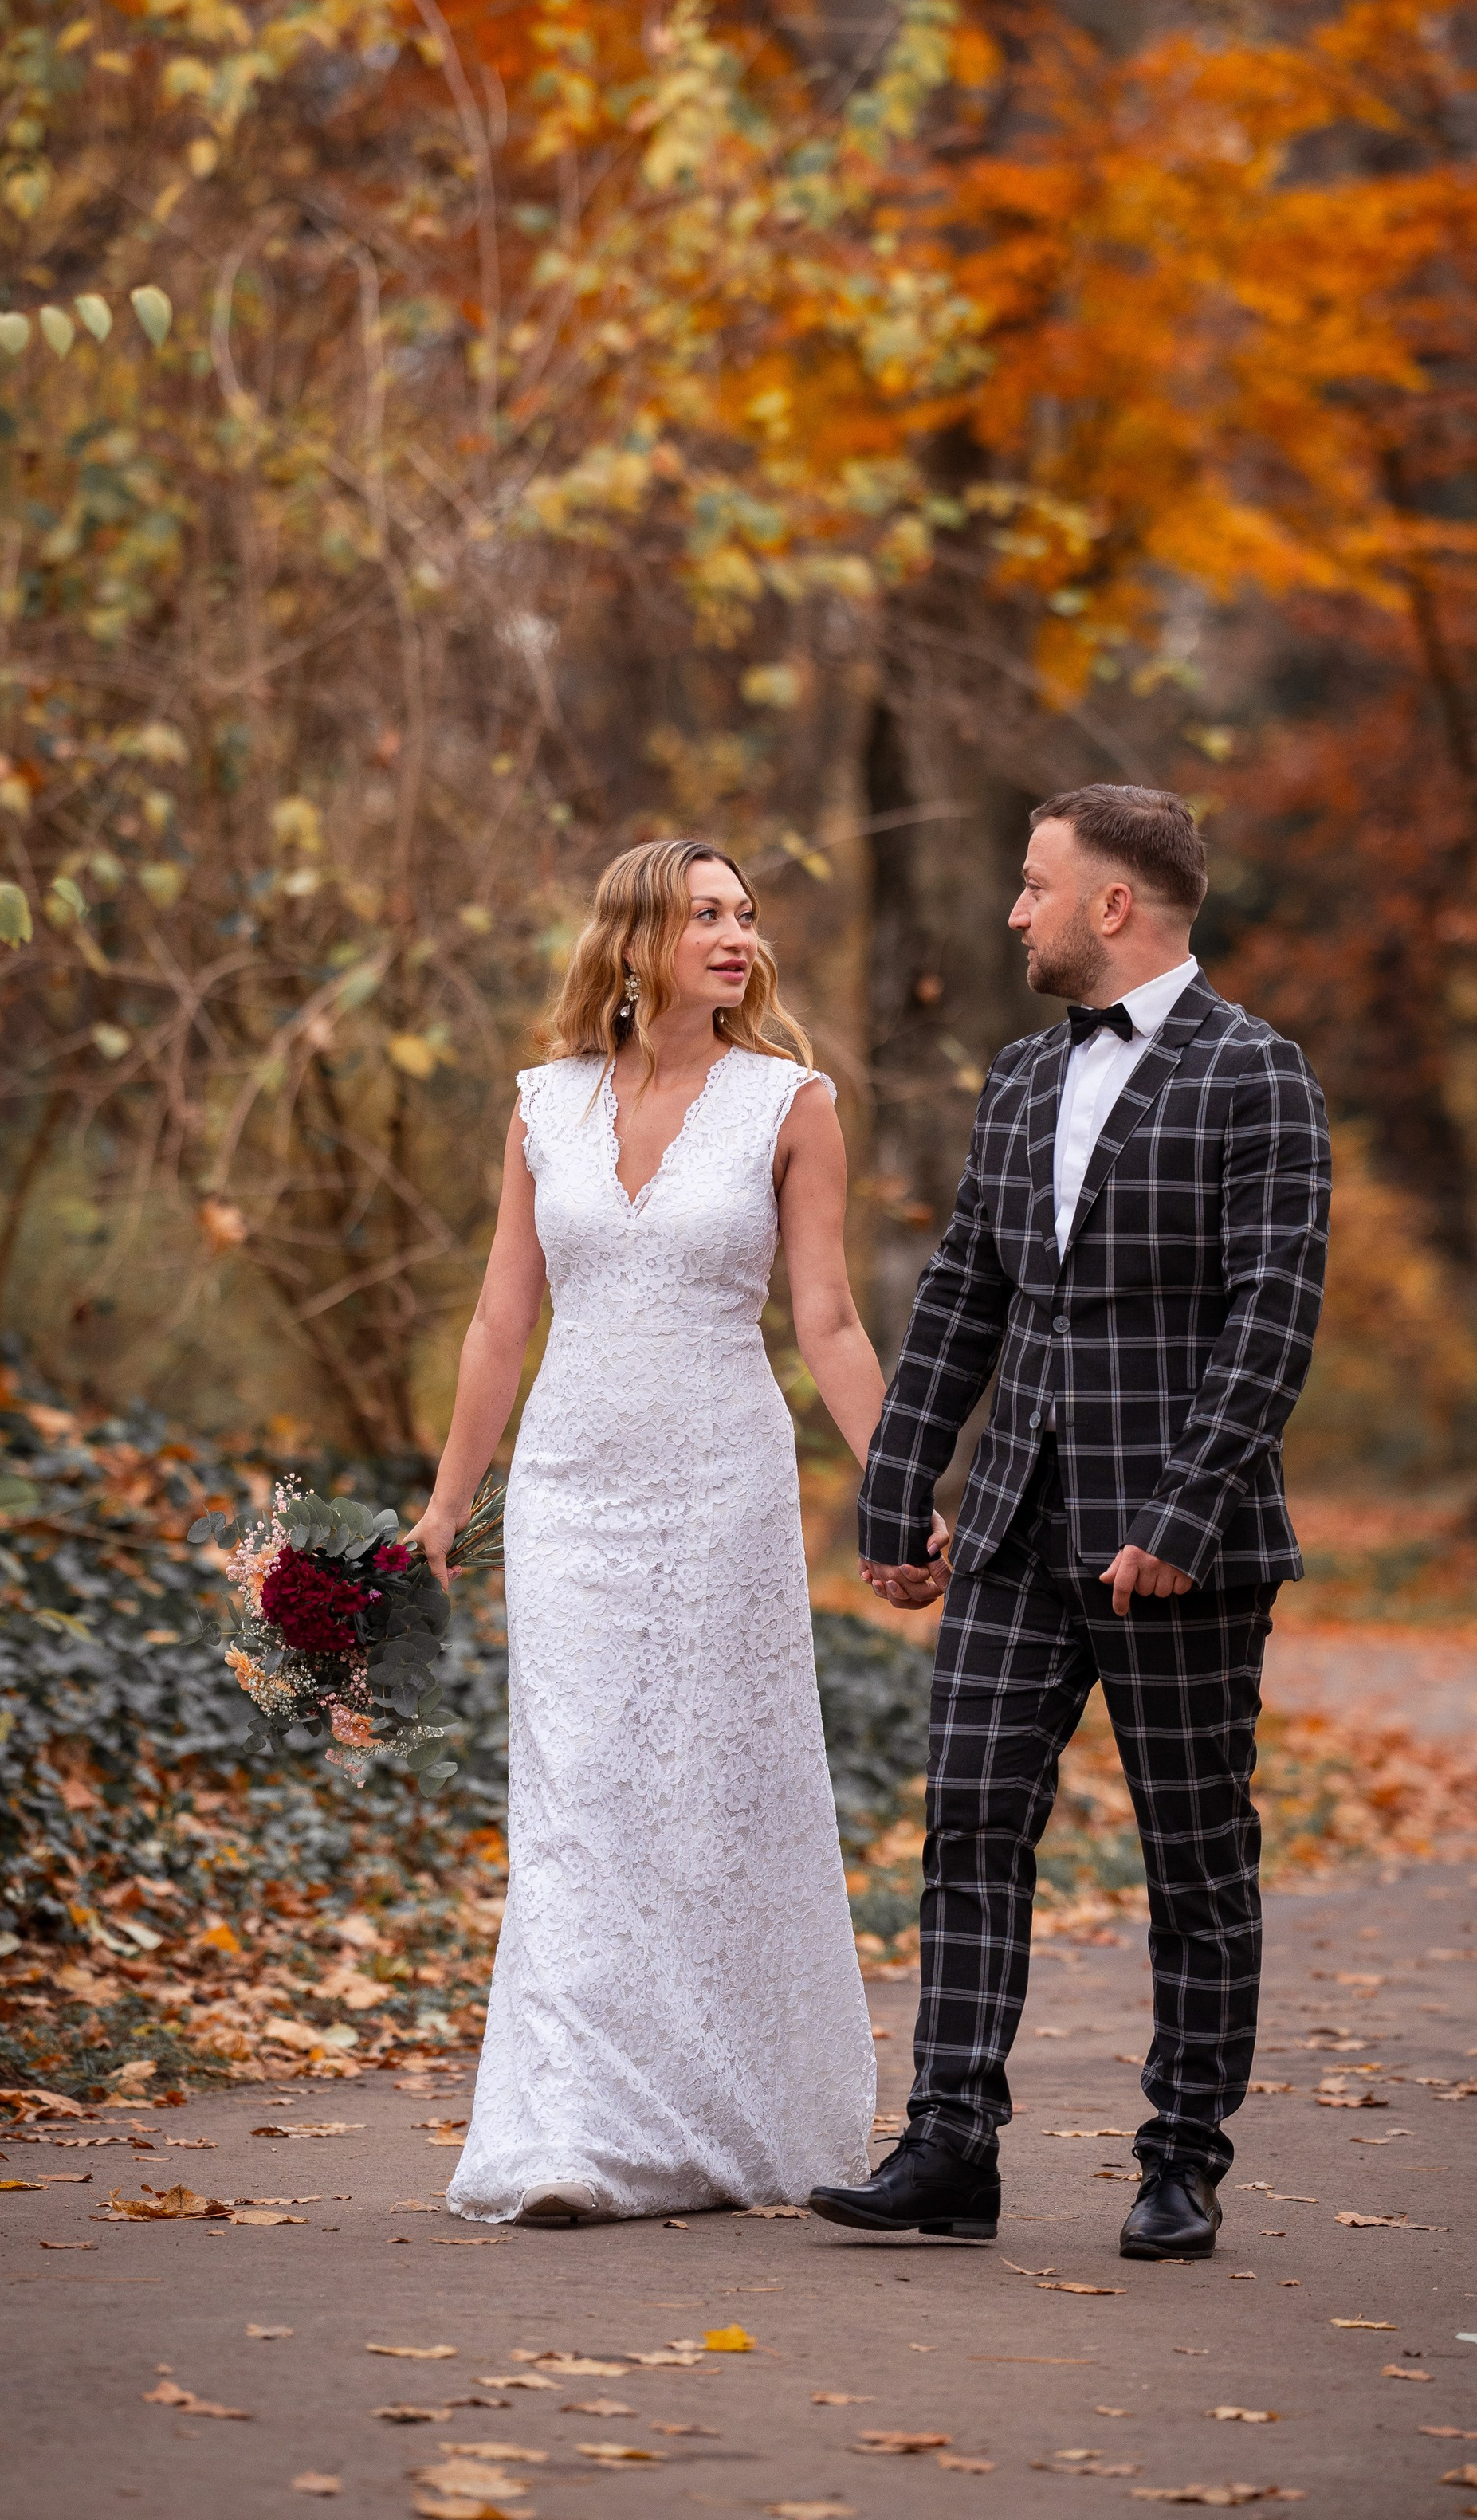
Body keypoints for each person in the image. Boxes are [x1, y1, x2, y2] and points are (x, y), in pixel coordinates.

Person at [808, 785, 1329, 2261]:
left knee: (1195, 1858)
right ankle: (949, 2148)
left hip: (1177, 1545)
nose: (1014, 911)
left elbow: (1269, 1324)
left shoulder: (1258, 1076)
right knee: (969, 1821)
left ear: (1115, 905)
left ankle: (1182, 2164)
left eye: (1036, 887)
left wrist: (1185, 1510)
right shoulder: (1023, 1077)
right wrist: (899, 1485)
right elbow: (965, 1296)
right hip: (1015, 1527)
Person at [410, 837, 887, 2225]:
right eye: (702, 916)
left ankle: (722, 2114)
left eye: (744, 914)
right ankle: (565, 2136)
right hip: (567, 1491)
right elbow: (504, 1316)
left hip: (723, 1489)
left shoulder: (792, 1106)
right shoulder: (541, 1107)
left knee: (710, 1800)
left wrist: (905, 1482)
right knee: (575, 1801)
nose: (735, 937)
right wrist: (451, 1502)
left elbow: (831, 1321)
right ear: (633, 940)